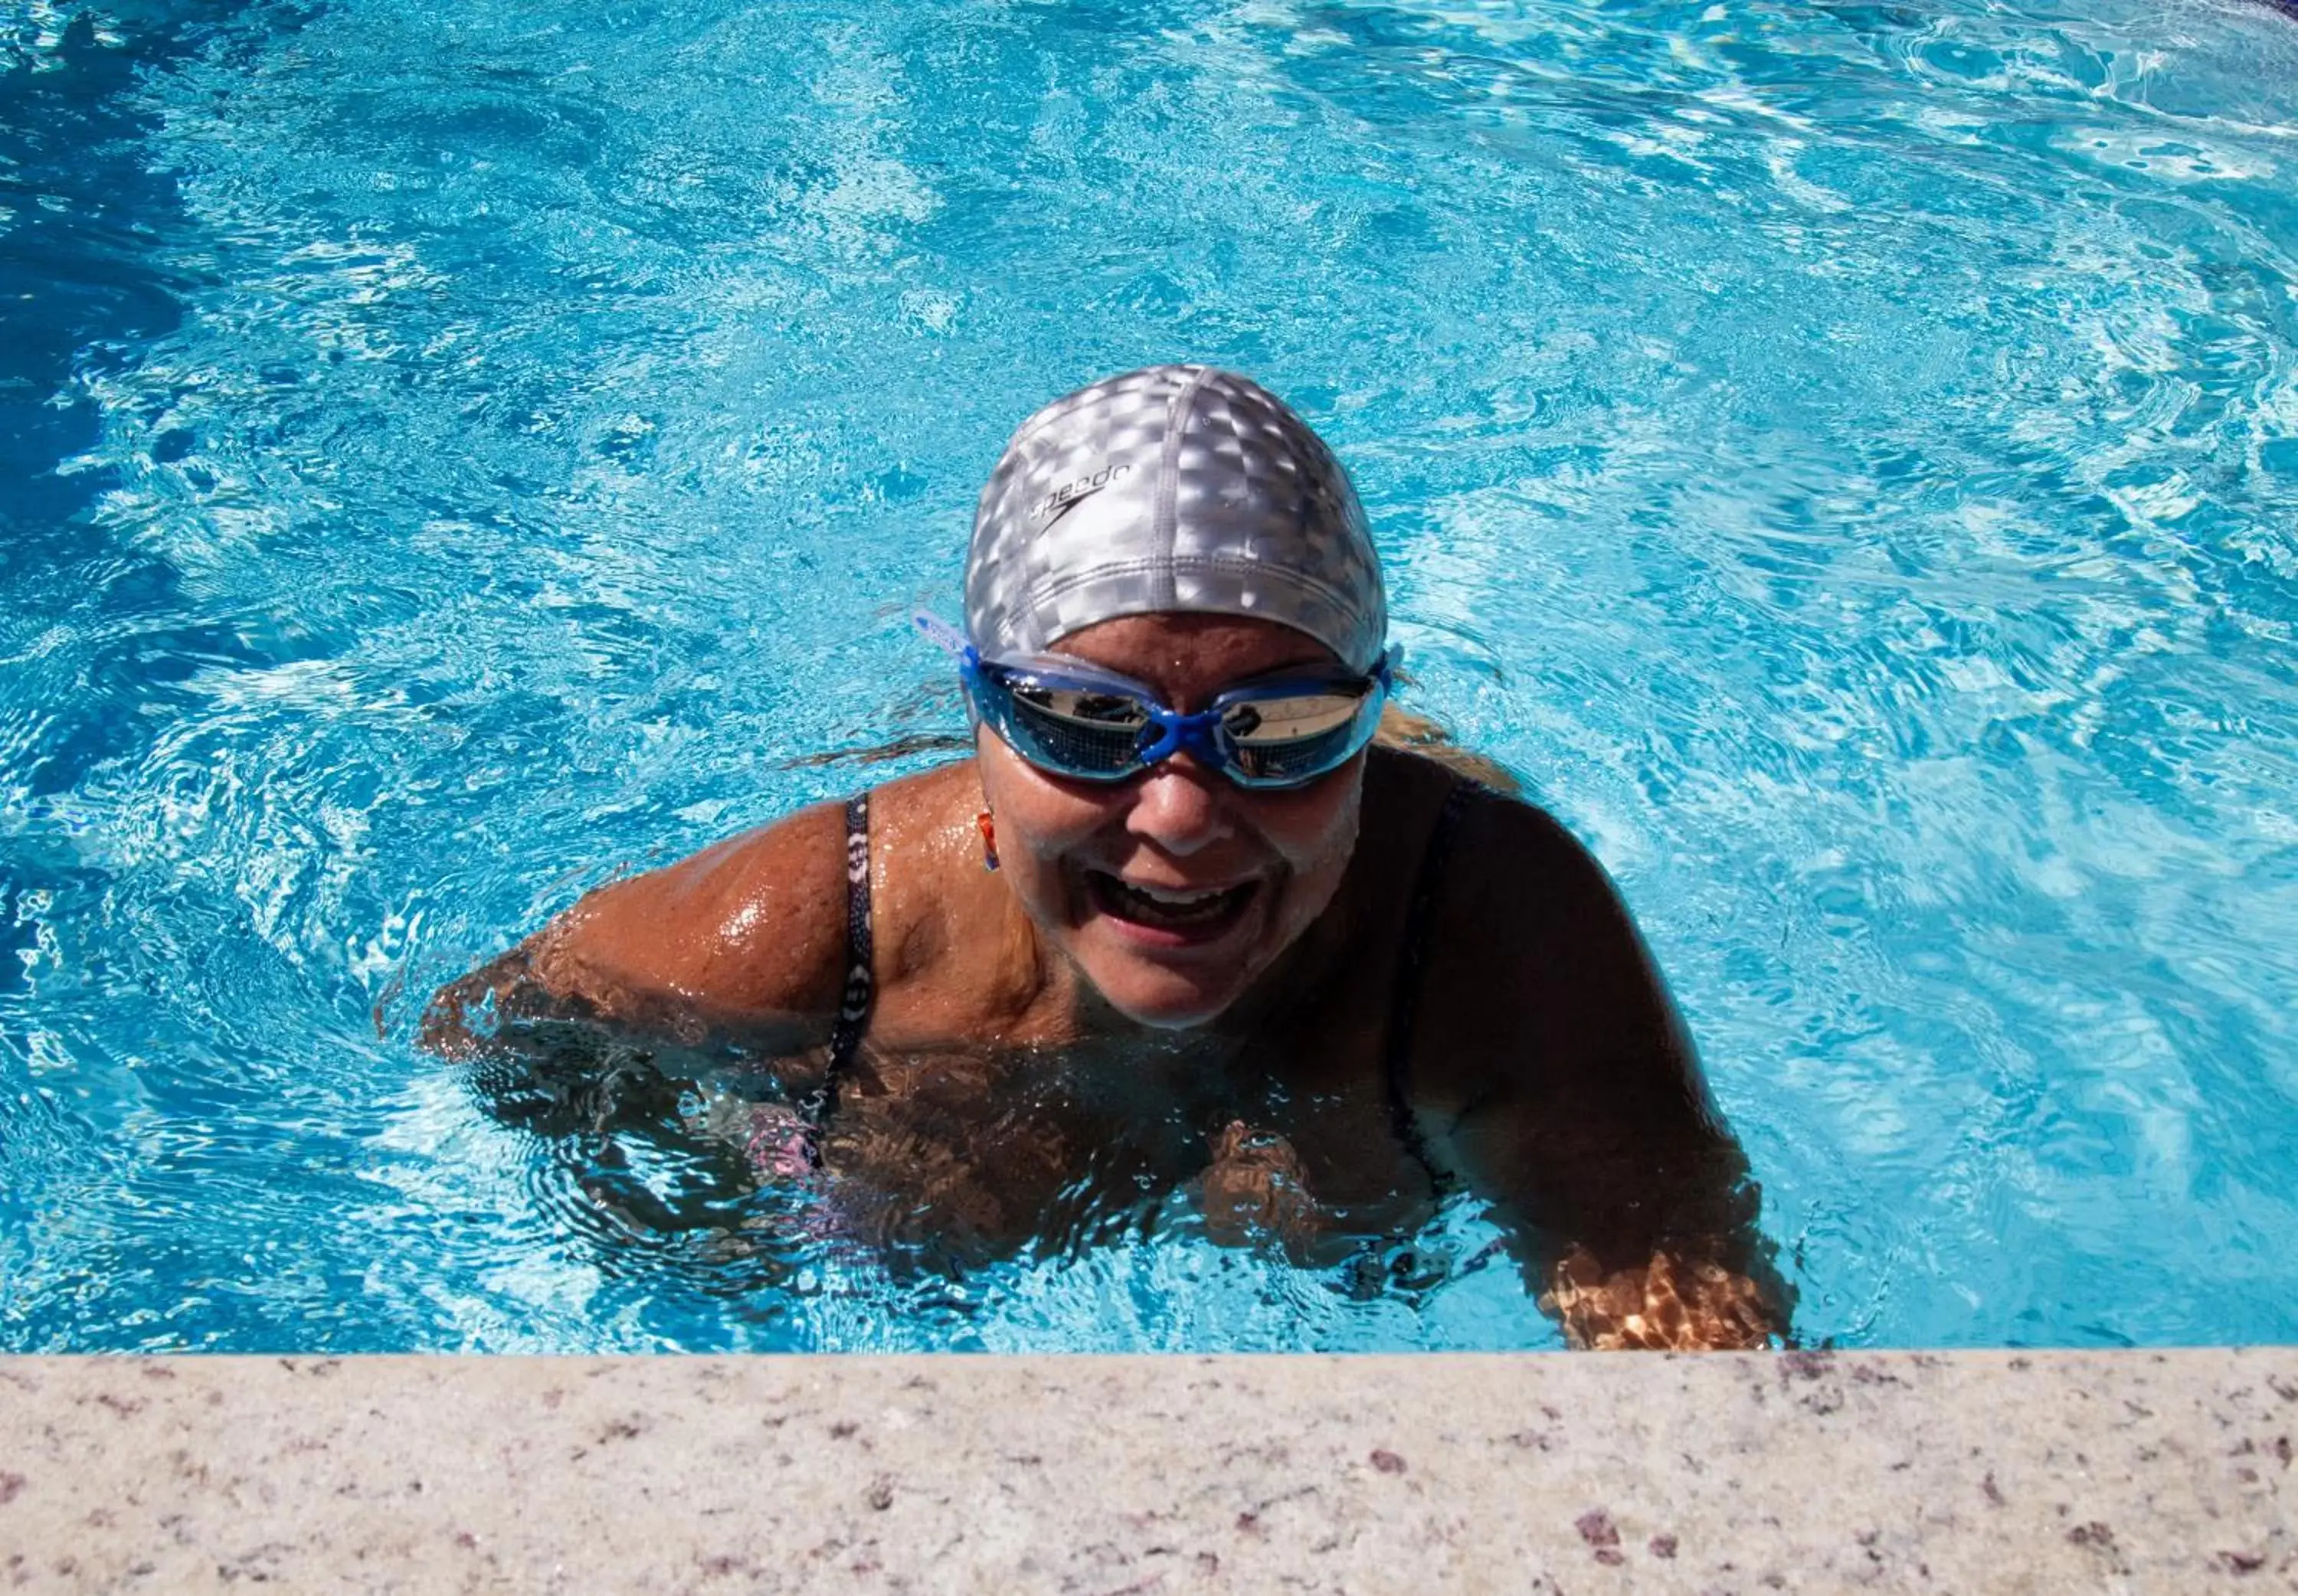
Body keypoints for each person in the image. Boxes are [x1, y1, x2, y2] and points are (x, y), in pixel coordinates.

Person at [425, 365, 1790, 1349]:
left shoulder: (1493, 932)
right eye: (1087, 722)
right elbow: (483, 1039)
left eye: (1288, 721)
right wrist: (681, 1209)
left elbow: (1703, 1387)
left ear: (1370, 713)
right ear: (981, 717)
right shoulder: (798, 932)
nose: (1184, 815)